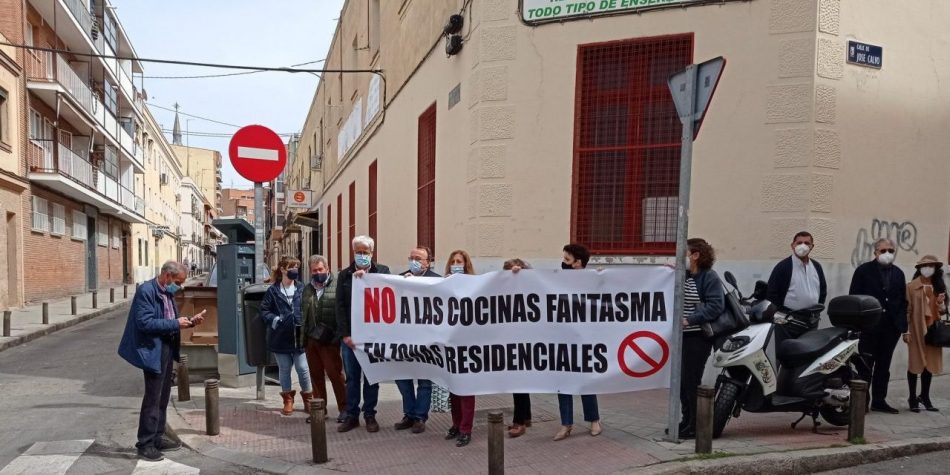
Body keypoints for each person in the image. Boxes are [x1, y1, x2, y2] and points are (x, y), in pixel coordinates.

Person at [118, 261, 205, 461]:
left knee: (164, 396)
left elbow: (166, 318)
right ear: (166, 276)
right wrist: (175, 323)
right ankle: (145, 443)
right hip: (152, 349)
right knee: (153, 397)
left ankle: (158, 437)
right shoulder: (146, 291)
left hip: (166, 347)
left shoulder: (166, 292)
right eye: (177, 282)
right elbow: (145, 322)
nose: (179, 286)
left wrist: (189, 321)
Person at [337, 235, 391, 433]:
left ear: (372, 253)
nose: (361, 256)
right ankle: (352, 415)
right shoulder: (344, 276)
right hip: (351, 338)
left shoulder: (382, 272)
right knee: (352, 378)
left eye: (364, 252)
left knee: (371, 377)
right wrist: (345, 335)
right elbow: (340, 307)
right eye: (358, 252)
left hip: (373, 338)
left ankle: (370, 414)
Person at [849, 238, 908, 414]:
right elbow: (854, 297)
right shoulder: (863, 271)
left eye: (890, 250)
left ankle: (879, 400)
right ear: (875, 252)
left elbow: (902, 300)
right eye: (883, 251)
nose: (887, 254)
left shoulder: (898, 273)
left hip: (891, 327)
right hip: (869, 326)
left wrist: (901, 325)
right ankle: (862, 400)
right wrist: (857, 325)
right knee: (865, 364)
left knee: (884, 366)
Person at [553, 244, 604, 441]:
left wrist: (602, 277)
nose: (563, 263)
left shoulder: (592, 280)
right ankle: (566, 424)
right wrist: (517, 271)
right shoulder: (557, 279)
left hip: (584, 339)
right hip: (561, 339)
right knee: (563, 382)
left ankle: (594, 420)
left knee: (585, 381)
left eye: (567, 260)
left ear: (578, 263)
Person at [677, 238, 725, 439]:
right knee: (680, 382)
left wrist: (690, 320)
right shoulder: (685, 275)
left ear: (695, 255)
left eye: (685, 253)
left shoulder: (709, 277)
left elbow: (716, 306)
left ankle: (696, 425)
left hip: (697, 336)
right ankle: (685, 420)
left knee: (691, 381)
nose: (682, 257)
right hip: (681, 337)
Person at [394, 246, 440, 433]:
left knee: (424, 380)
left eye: (418, 258)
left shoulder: (436, 280)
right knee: (402, 378)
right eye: (411, 257)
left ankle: (420, 417)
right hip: (403, 339)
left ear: (428, 262)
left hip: (426, 341)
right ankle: (409, 414)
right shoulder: (399, 278)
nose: (414, 261)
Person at [261, 257, 313, 417]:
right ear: (283, 269)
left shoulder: (302, 288)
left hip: (299, 335)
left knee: (303, 368)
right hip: (280, 336)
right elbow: (264, 311)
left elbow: (310, 307)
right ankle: (288, 400)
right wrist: (276, 320)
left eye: (297, 267)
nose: (295, 270)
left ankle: (308, 399)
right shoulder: (273, 290)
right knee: (284, 369)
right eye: (292, 267)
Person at [301, 254, 347, 423]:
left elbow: (342, 313)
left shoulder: (337, 286)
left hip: (330, 341)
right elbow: (302, 314)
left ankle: (345, 409)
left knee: (335, 375)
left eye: (320, 269)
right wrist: (303, 339)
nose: (317, 273)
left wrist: (337, 336)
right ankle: (320, 410)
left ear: (327, 269)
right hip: (311, 339)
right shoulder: (307, 289)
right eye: (314, 270)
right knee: (316, 376)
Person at [766, 231, 828, 347]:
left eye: (806, 243)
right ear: (792, 245)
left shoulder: (816, 267)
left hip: (811, 321)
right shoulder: (783, 267)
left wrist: (817, 309)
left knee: (809, 354)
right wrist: (783, 314)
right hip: (788, 322)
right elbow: (772, 293)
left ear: (812, 247)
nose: (803, 246)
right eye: (799, 242)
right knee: (786, 354)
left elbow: (823, 290)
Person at [443, 250, 477, 447]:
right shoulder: (443, 283)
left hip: (469, 346)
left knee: (466, 390)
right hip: (450, 345)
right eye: (453, 261)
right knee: (453, 390)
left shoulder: (476, 285)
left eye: (459, 262)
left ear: (466, 265)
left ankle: (466, 429)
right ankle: (456, 424)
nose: (456, 264)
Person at [905, 255, 946, 412]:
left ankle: (925, 396)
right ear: (919, 268)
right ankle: (912, 397)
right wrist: (906, 330)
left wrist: (940, 302)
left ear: (936, 269)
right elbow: (907, 310)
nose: (928, 269)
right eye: (925, 266)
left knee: (929, 365)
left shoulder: (938, 287)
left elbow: (942, 312)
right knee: (915, 363)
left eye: (931, 266)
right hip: (916, 329)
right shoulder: (910, 287)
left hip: (933, 331)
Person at [504, 258, 533, 438]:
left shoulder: (529, 288)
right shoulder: (505, 291)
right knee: (520, 383)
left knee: (519, 383)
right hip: (513, 341)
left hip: (525, 341)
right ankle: (526, 417)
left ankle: (519, 421)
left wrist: (525, 271)